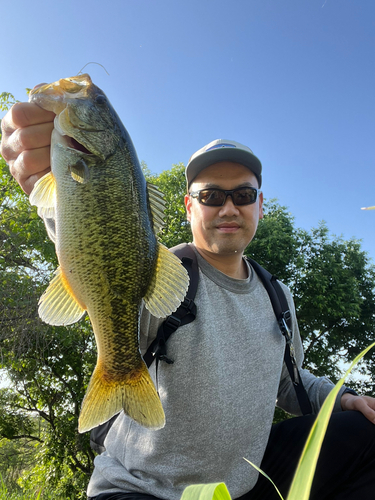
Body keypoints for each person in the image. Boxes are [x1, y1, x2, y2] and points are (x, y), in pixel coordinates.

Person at [1, 99, 375, 500]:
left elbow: (290, 383)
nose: (229, 207)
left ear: (260, 206)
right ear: (188, 206)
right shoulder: (163, 270)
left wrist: (347, 399)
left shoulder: (276, 294)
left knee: (365, 435)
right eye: (212, 196)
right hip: (141, 489)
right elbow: (96, 256)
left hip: (241, 481)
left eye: (244, 195)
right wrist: (56, 195)